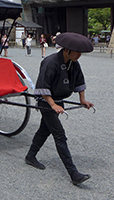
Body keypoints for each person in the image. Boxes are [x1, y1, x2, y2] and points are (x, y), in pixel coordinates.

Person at [25, 32, 95, 186]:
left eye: (80, 53)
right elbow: (42, 87)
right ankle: (73, 173)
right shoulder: (50, 62)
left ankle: (30, 156)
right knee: (60, 135)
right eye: (76, 52)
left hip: (58, 101)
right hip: (46, 102)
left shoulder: (74, 63)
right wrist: (52, 105)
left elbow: (79, 81)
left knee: (44, 130)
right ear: (66, 50)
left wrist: (82, 100)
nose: (79, 55)